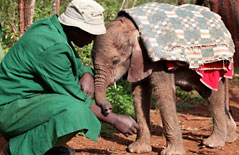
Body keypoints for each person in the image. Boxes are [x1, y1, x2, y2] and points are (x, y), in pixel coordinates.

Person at [0, 0, 138, 154]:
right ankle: (16, 150)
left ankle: (45, 147)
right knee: (75, 112)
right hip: (8, 110)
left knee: (75, 106)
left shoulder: (51, 29)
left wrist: (86, 73)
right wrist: (115, 119)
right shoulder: (53, 47)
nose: (92, 39)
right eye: (90, 33)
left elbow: (76, 66)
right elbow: (77, 97)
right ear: (76, 28)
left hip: (22, 102)